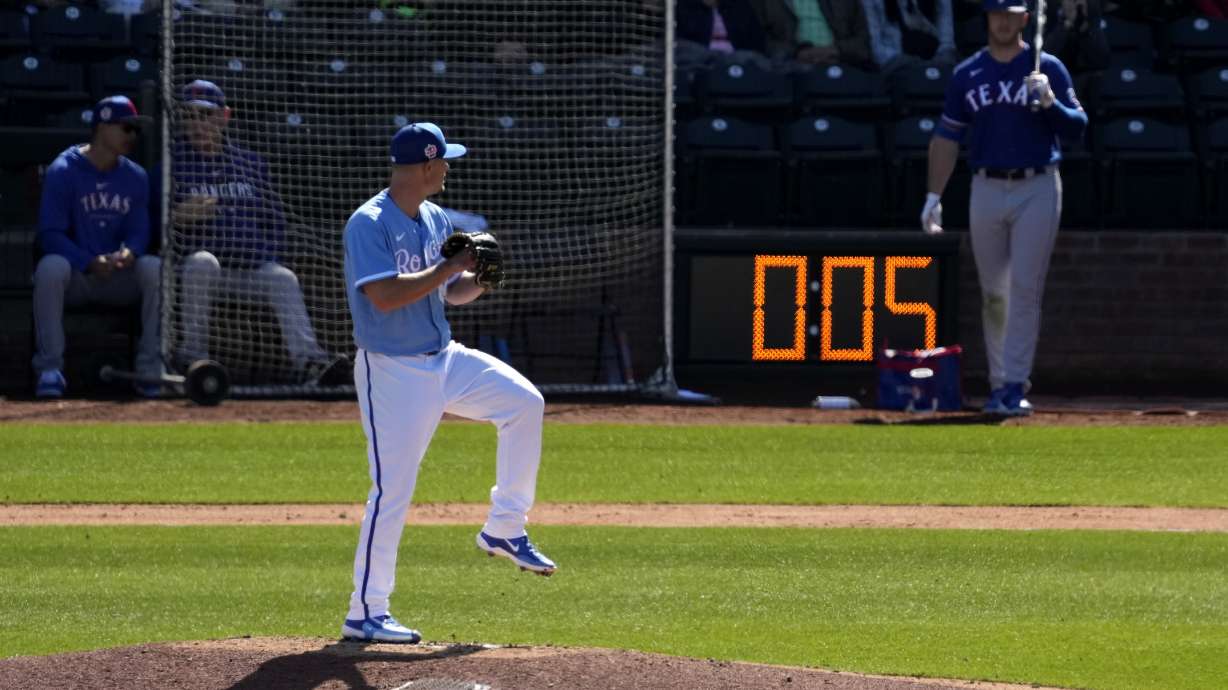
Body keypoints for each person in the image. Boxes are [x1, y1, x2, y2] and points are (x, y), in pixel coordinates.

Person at [339, 122, 554, 643]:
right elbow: (385, 296)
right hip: (392, 370)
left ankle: (505, 527)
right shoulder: (368, 222)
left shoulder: (433, 216)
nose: (450, 168)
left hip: (445, 358)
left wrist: (474, 279)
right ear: (428, 165)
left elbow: (448, 294)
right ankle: (366, 610)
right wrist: (449, 268)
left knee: (525, 403)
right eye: (445, 160)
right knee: (393, 491)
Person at [921, 0, 1087, 416]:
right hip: (986, 184)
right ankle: (999, 383)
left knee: (1025, 289)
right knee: (994, 293)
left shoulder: (1047, 67)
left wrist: (1051, 104)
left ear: (1025, 20)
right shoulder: (967, 73)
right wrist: (933, 196)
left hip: (1038, 184)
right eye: (996, 13)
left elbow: (1078, 128)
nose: (1002, 21)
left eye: (1010, 13)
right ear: (986, 18)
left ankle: (1014, 384)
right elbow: (946, 136)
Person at [154, 80, 347, 384]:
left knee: (282, 278)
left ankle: (309, 362)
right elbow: (152, 222)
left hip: (247, 270)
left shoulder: (249, 163)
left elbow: (275, 221)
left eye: (205, 115)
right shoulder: (170, 163)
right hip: (196, 273)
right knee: (202, 262)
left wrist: (261, 252)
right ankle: (192, 359)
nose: (197, 124)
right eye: (189, 115)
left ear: (224, 116)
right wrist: (177, 217)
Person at [32, 95, 161, 399]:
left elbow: (139, 230)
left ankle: (150, 368)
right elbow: (50, 234)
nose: (132, 136)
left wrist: (130, 251)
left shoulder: (135, 176)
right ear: (102, 126)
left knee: (153, 268)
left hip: (118, 276)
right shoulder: (63, 170)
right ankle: (49, 369)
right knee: (50, 267)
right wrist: (87, 260)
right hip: (78, 277)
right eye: (126, 128)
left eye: (136, 131)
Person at [750, 0, 874, 68]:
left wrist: (835, 50)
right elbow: (759, 42)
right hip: (790, 70)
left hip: (843, 64)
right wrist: (798, 53)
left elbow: (863, 43)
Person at [862, 0, 959, 73]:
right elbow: (876, 49)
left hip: (935, 60)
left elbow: (947, 42)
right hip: (896, 65)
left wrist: (935, 64)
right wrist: (911, 63)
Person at [676, 0, 770, 62]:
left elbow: (756, 43)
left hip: (737, 61)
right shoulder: (681, 7)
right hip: (700, 63)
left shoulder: (740, 7)